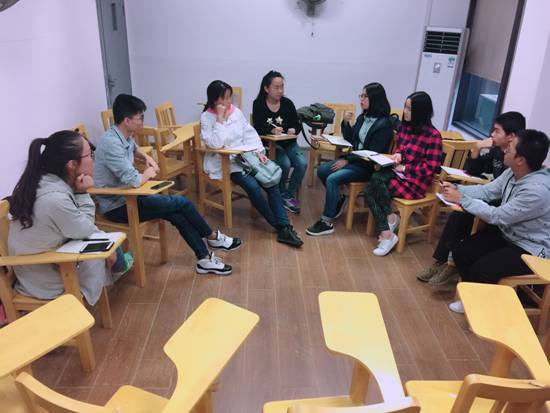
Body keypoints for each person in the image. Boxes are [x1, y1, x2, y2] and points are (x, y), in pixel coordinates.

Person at [94, 94, 240, 276]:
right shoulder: (111, 143)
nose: (143, 121)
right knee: (182, 203)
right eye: (140, 118)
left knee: (177, 214)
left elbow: (134, 148)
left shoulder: (122, 134)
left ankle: (204, 259)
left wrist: (146, 158)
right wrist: (147, 173)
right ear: (127, 121)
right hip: (118, 206)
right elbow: (135, 180)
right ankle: (212, 237)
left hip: (131, 197)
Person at [8, 130, 132, 305]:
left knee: (108, 241)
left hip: (41, 263)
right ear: (72, 164)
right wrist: (82, 192)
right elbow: (85, 229)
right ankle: (118, 267)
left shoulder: (45, 181)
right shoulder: (55, 198)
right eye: (90, 154)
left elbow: (78, 225)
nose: (94, 160)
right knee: (106, 246)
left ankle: (118, 264)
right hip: (45, 278)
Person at [442, 129, 550, 313]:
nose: (505, 149)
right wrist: (457, 188)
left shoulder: (537, 190)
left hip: (530, 247)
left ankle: (481, 306)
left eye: (510, 148)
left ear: (520, 159)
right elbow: (487, 191)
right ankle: (474, 297)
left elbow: (497, 216)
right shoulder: (514, 172)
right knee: (461, 252)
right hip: (510, 234)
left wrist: (461, 199)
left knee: (482, 269)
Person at [418, 111, 526, 285]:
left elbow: (500, 206)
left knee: (463, 215)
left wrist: (462, 197)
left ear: (511, 137)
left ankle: (452, 265)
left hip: (502, 213)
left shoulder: (517, 163)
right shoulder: (498, 152)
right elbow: (475, 172)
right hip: (492, 202)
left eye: (497, 131)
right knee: (458, 214)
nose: (492, 134)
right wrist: (476, 149)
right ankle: (442, 262)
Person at [201, 80, 303, 247]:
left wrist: (259, 152)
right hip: (226, 162)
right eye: (224, 98)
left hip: (247, 157)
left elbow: (250, 135)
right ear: (213, 99)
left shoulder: (236, 112)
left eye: (229, 97)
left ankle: (284, 226)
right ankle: (280, 227)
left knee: (271, 182)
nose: (228, 102)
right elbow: (216, 144)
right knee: (253, 187)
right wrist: (219, 119)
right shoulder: (207, 117)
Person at [306, 82, 394, 236]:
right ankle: (339, 198)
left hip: (368, 167)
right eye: (361, 95)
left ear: (375, 99)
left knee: (332, 179)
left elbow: (371, 153)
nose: (361, 99)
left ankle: (326, 222)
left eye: (365, 96)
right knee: (322, 170)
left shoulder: (384, 124)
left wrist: (347, 160)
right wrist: (346, 123)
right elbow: (352, 140)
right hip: (355, 160)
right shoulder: (363, 117)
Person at [363, 91, 442, 256]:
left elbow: (431, 168)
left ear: (421, 112)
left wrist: (406, 169)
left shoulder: (433, 136)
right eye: (405, 107)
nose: (405, 111)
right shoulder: (404, 128)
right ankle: (389, 223)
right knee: (373, 182)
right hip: (398, 174)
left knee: (371, 188)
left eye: (410, 109)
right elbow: (402, 148)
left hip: (415, 183)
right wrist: (399, 154)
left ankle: (388, 231)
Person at [252, 70, 307, 214]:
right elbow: (257, 127)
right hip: (271, 145)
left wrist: (294, 130)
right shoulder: (258, 104)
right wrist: (271, 130)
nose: (280, 91)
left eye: (282, 86)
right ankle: (280, 195)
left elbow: (297, 124)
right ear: (266, 88)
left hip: (289, 143)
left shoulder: (287, 103)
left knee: (302, 163)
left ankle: (288, 195)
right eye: (276, 87)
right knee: (285, 164)